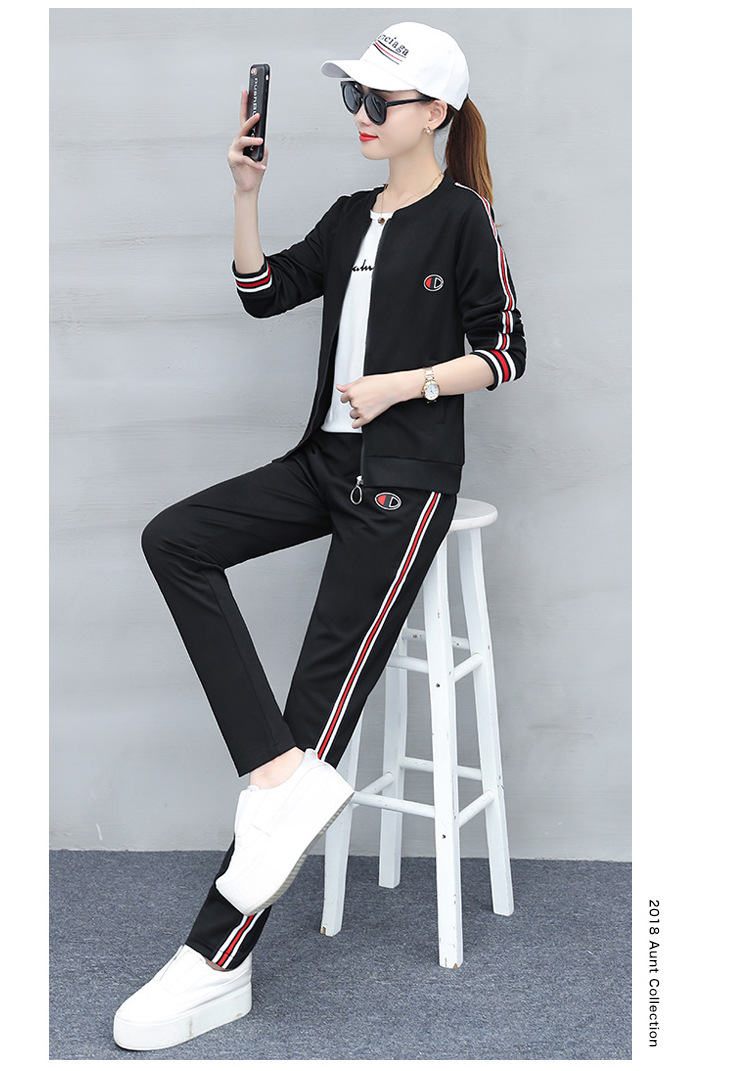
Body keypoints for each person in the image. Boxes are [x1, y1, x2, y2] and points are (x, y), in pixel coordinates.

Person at [113, 21, 526, 1051]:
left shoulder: (464, 218)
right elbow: (264, 295)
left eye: (379, 101)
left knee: (319, 712)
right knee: (176, 540)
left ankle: (215, 959)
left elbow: (506, 350)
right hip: (323, 464)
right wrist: (245, 195)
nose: (363, 116)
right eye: (354, 98)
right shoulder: (350, 216)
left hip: (404, 485)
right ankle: (275, 773)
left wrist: (405, 384)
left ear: (434, 112)